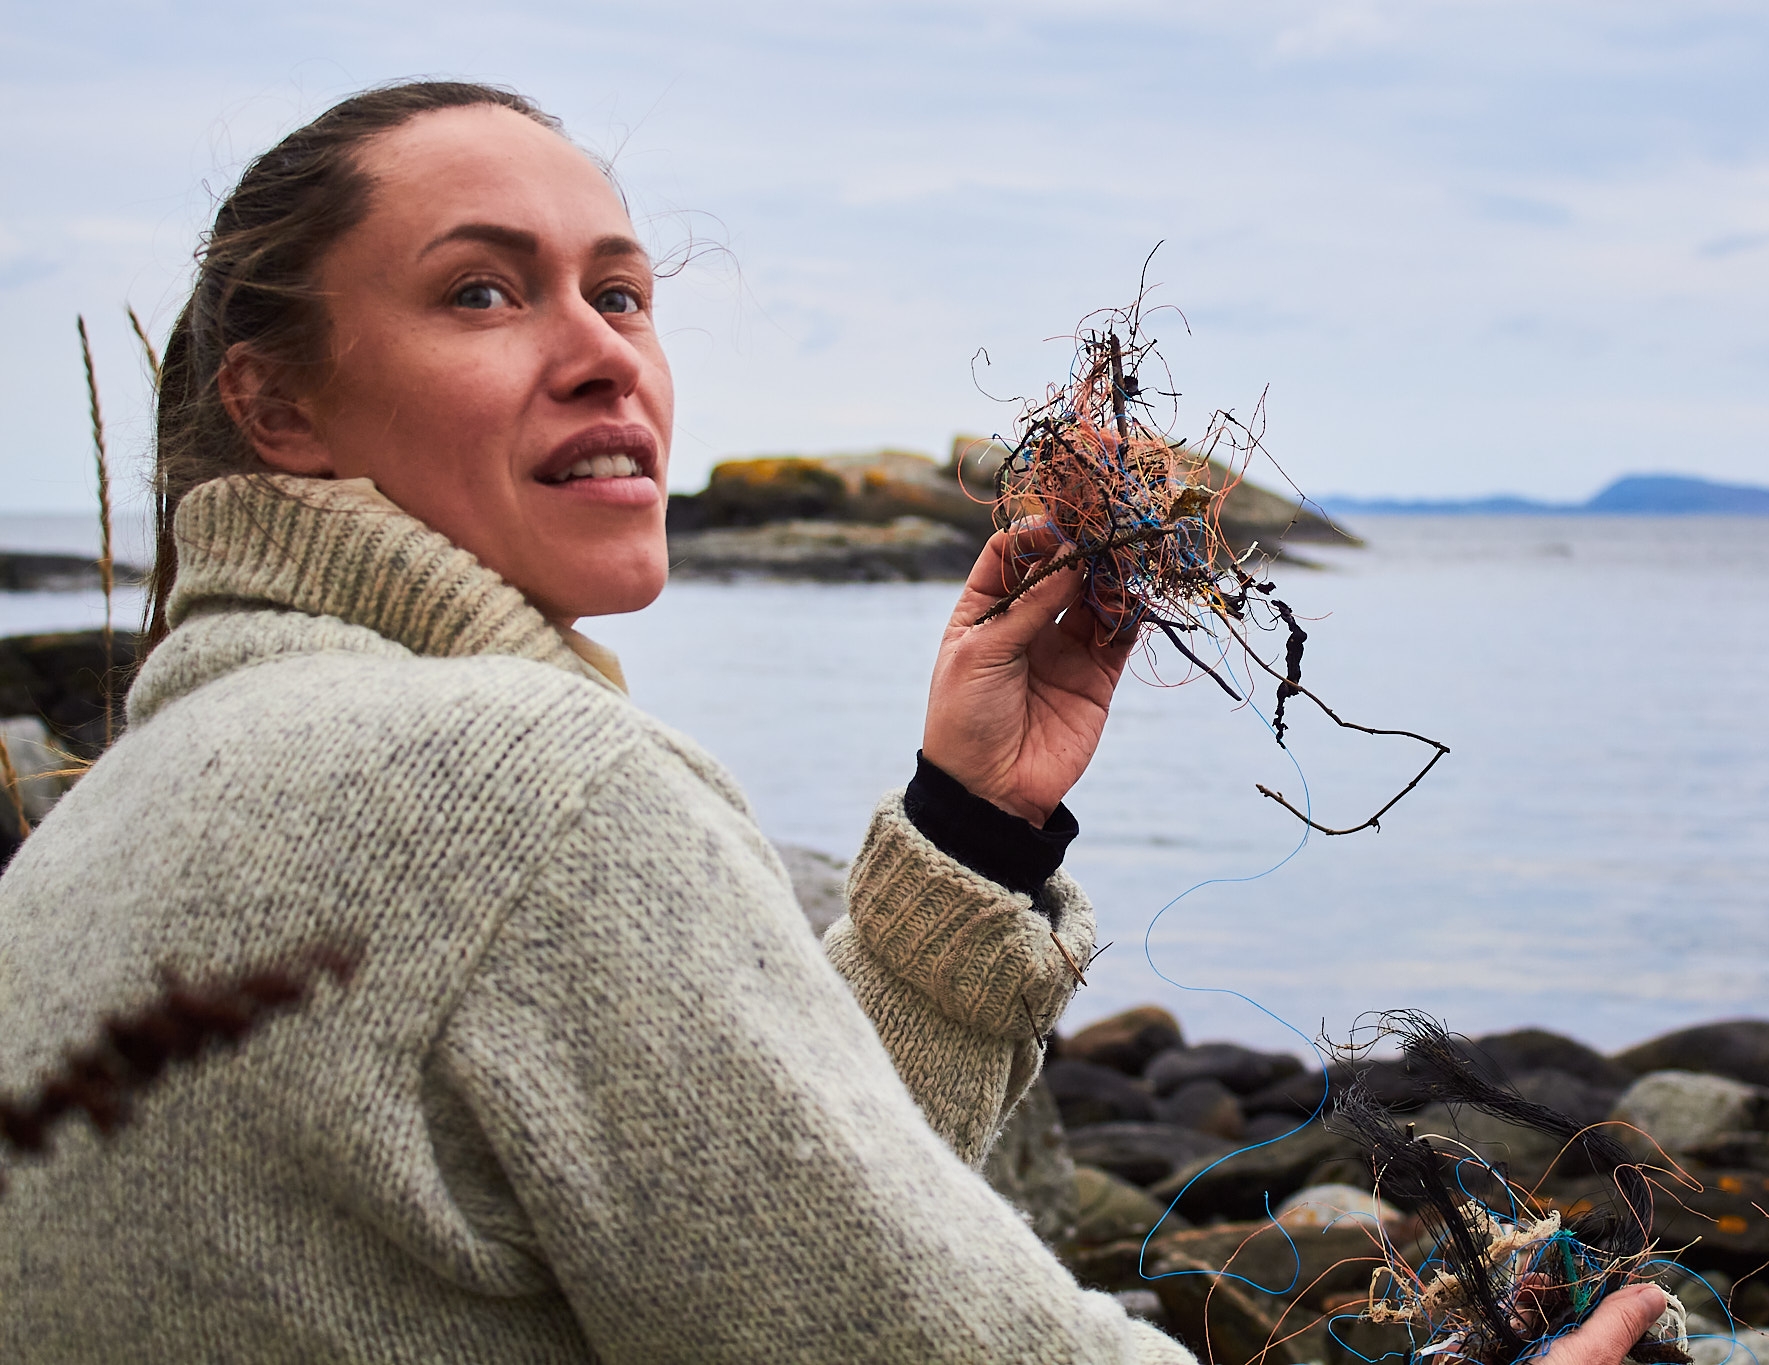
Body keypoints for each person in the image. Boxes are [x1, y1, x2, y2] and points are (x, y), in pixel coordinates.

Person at [0, 81, 1672, 1364]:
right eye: (485, 295)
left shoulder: (100, 821)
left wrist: (969, 825)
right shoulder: (519, 785)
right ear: (275, 402)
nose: (606, 356)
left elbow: (758, 1225)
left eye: (625, 293)